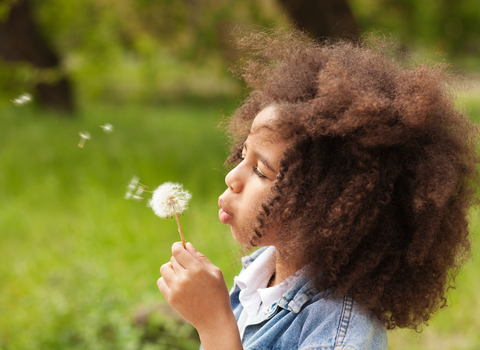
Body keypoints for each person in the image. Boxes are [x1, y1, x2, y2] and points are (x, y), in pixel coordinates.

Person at [156, 28, 480, 350]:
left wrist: (214, 325)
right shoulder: (259, 275)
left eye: (260, 170)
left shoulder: (341, 332)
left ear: (323, 208)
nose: (232, 177)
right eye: (243, 155)